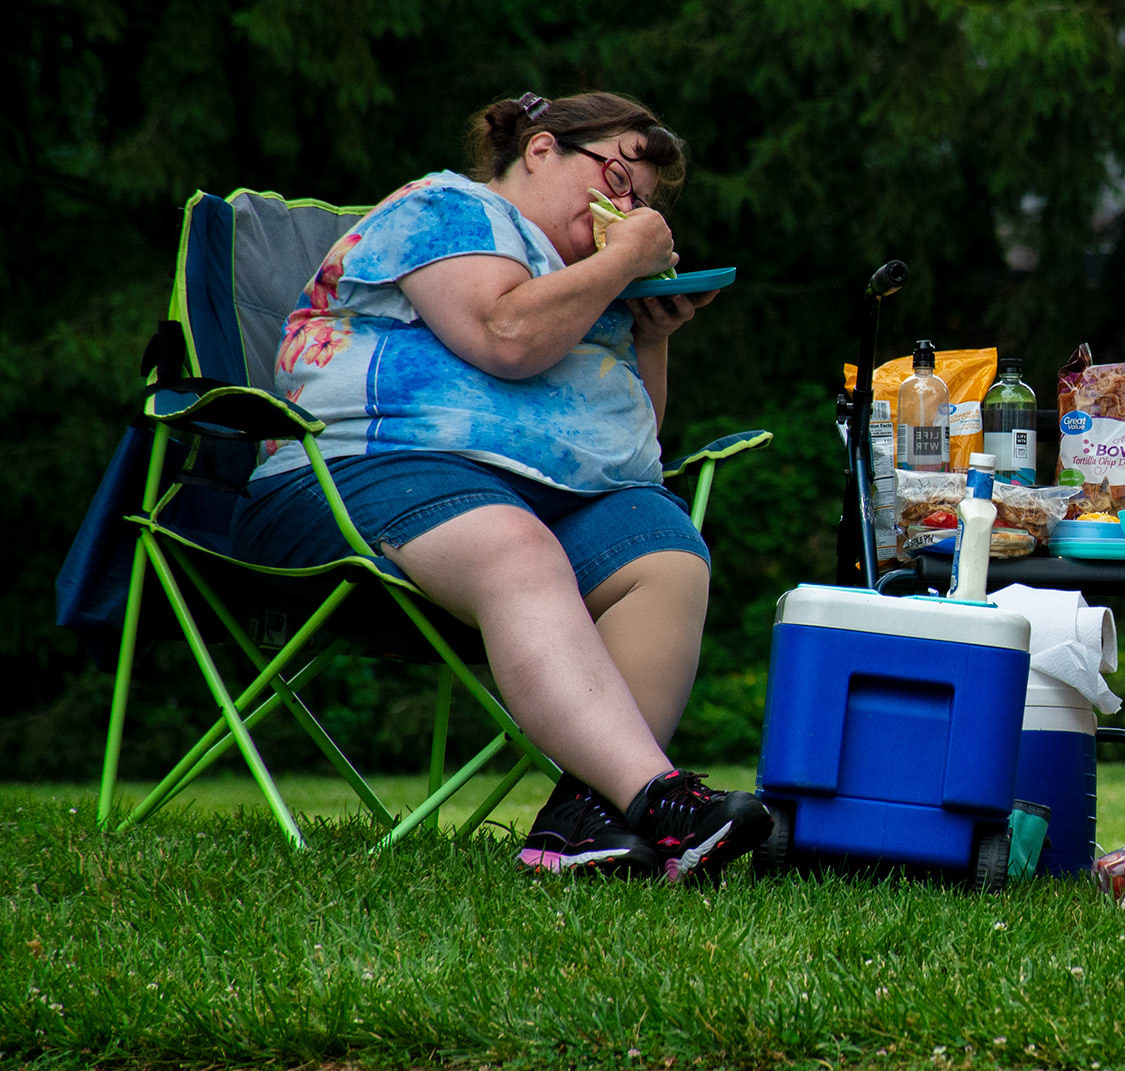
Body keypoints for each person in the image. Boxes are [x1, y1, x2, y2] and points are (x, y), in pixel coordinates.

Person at [232, 91, 770, 880]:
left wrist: (651, 334)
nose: (626, 207)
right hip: (356, 473)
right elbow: (503, 334)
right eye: (617, 177)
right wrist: (626, 260)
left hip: (528, 501)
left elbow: (628, 436)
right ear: (543, 149)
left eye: (642, 202)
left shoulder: (589, 280)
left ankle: (579, 827)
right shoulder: (449, 207)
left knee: (668, 554)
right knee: (516, 543)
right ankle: (659, 799)